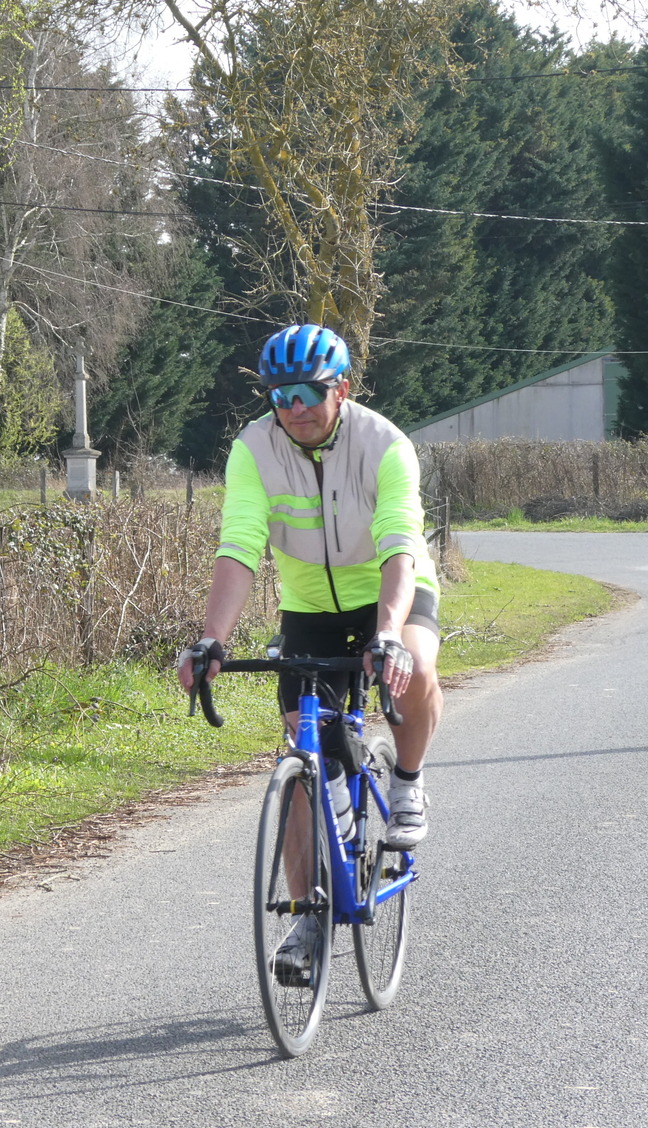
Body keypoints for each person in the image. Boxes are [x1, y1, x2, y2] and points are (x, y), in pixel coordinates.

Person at [177, 323, 443, 976]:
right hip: (309, 609)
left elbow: (398, 544)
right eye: (280, 395)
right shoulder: (253, 449)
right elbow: (240, 545)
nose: (293, 407)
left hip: (390, 592)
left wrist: (387, 634)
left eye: (307, 392)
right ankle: (305, 921)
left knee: (413, 666)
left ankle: (407, 783)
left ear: (340, 390)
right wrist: (213, 638)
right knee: (303, 756)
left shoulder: (385, 444)